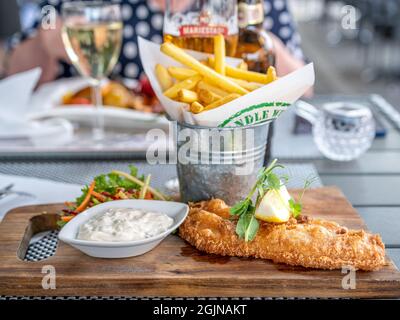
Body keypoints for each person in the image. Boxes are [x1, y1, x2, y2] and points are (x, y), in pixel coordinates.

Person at [4, 0, 305, 84]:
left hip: (215, 143)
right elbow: (13, 74)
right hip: (98, 149)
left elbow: (303, 86)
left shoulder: (248, 5)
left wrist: (254, 40)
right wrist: (45, 42)